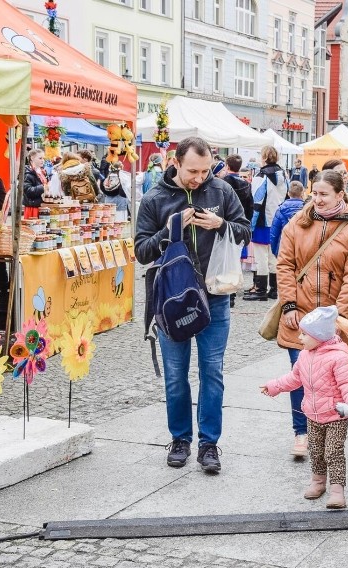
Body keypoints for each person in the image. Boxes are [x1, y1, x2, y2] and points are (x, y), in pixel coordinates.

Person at [135, 136, 251, 472]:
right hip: (172, 300)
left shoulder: (221, 191)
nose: (200, 178)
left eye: (205, 170)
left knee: (212, 373)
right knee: (175, 375)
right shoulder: (155, 198)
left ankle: (209, 444)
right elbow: (141, 250)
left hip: (214, 297)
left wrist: (223, 225)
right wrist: (171, 230)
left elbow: (243, 228)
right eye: (192, 171)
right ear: (175, 162)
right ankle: (181, 439)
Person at [275, 169, 348, 459]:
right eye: (314, 193)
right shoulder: (297, 223)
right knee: (301, 373)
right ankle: (301, 431)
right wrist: (289, 304)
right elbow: (285, 265)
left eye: (324, 194)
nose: (317, 200)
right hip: (300, 315)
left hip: (333, 319)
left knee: (331, 377)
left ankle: (328, 430)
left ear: (341, 195)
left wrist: (337, 316)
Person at [260, 306, 348, 509]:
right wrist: (274, 386)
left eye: (304, 334)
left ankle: (337, 490)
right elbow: (294, 379)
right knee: (316, 451)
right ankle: (318, 482)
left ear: (319, 336)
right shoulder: (304, 356)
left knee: (333, 452)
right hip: (312, 414)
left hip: (336, 415)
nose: (300, 338)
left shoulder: (339, 357)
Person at [245, 146, 288, 302]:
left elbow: (256, 202)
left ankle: (261, 289)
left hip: (263, 221)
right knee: (273, 256)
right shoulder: (283, 174)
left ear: (263, 157)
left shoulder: (260, 176)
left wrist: (251, 225)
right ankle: (275, 290)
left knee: (260, 256)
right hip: (278, 219)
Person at [224, 155, 254, 308]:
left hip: (226, 225)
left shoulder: (223, 183)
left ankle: (228, 294)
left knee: (225, 261)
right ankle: (233, 293)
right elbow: (250, 207)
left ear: (227, 165)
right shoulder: (246, 184)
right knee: (235, 260)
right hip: (240, 226)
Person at [322, 159, 348, 225]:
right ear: (326, 177)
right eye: (339, 173)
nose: (344, 177)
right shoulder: (316, 201)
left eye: (345, 173)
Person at [270, 181, 305, 258]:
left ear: (288, 193)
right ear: (302, 193)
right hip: (303, 249)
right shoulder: (307, 210)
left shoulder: (280, 210)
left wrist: (275, 251)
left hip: (284, 247)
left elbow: (274, 234)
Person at [22, 149, 48, 219]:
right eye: (40, 158)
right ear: (32, 158)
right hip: (33, 207)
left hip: (42, 206)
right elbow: (28, 191)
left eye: (43, 158)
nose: (43, 160)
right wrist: (43, 187)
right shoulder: (27, 173)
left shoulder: (42, 172)